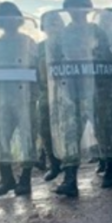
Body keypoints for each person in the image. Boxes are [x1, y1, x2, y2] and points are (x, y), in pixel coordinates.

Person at [46, 0, 112, 197]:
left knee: (104, 129)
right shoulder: (62, 35)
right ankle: (70, 177)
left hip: (98, 89)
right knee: (70, 133)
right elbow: (54, 63)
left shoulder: (96, 31)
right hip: (71, 91)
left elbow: (107, 58)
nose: (77, 11)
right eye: (73, 6)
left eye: (80, 6)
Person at [0, 2, 39, 196]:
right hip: (2, 100)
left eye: (11, 17)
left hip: (24, 99)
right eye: (3, 18)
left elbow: (37, 68)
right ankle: (7, 179)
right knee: (0, 140)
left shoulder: (28, 42)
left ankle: (25, 180)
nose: (7, 22)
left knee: (27, 140)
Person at [37, 11, 64, 183]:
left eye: (56, 22)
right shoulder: (39, 47)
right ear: (43, 27)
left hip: (67, 92)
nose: (53, 26)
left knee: (70, 131)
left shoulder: (69, 43)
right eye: (49, 23)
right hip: (46, 94)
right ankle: (54, 164)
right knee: (45, 130)